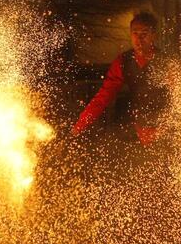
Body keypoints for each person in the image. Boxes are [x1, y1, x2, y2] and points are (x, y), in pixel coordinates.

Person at [72, 12, 170, 146]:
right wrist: (81, 124)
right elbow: (104, 96)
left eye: (144, 34)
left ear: (154, 36)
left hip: (164, 128)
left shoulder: (165, 63)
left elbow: (179, 98)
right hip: (137, 126)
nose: (139, 40)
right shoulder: (123, 62)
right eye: (135, 34)